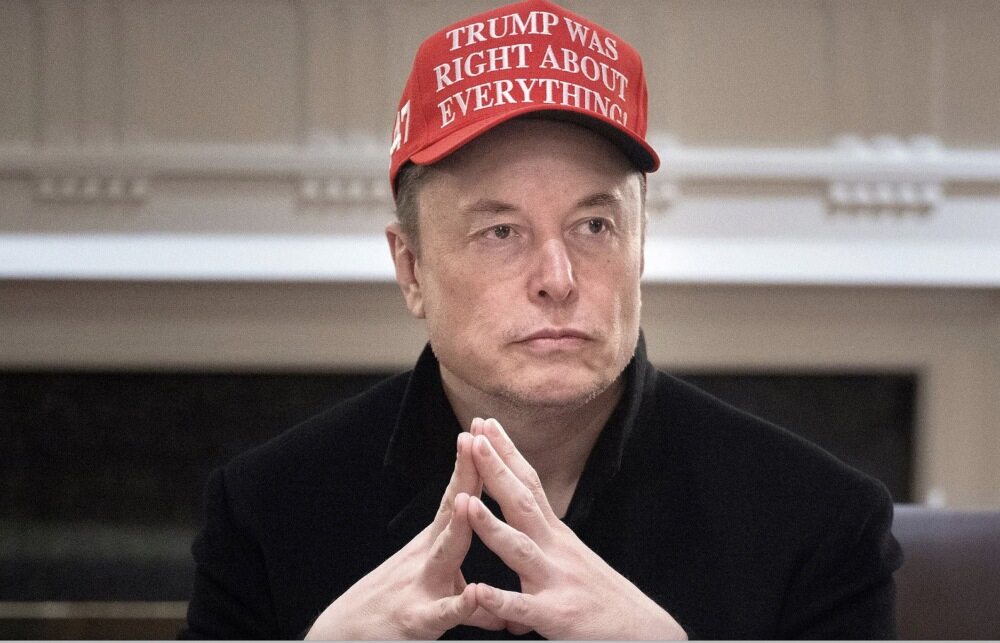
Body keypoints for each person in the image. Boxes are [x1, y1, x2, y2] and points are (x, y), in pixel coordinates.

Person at [182, 0, 902, 638]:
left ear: (640, 248)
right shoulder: (267, 513)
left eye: (594, 226)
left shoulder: (819, 522)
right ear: (411, 269)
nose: (558, 279)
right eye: (500, 231)